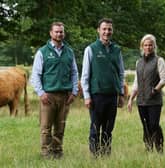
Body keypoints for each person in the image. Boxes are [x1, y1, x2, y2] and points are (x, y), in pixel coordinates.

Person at [31, 22, 78, 159]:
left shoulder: (69, 52)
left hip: (64, 96)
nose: (59, 34)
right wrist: (41, 93)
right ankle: (46, 153)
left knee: (60, 127)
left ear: (64, 33)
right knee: (46, 128)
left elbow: (74, 73)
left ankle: (57, 151)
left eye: (61, 32)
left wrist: (74, 92)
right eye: (56, 32)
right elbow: (35, 75)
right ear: (51, 33)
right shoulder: (42, 52)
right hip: (48, 96)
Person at [81, 18, 125, 157]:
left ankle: (106, 154)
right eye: (104, 29)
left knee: (108, 128)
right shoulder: (91, 49)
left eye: (109, 29)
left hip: (112, 95)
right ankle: (95, 156)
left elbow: (121, 73)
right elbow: (85, 75)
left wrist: (121, 94)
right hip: (96, 95)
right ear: (98, 30)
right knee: (95, 127)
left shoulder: (117, 50)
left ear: (112, 31)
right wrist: (87, 96)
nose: (107, 32)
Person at [127, 34, 165, 153]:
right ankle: (148, 149)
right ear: (142, 47)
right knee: (145, 126)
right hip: (141, 101)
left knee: (154, 124)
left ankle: (159, 148)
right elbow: (136, 83)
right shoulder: (138, 62)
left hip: (154, 101)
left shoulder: (159, 61)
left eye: (150, 45)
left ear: (154, 46)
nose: (148, 47)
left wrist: (155, 89)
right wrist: (130, 100)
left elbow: (164, 79)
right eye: (145, 45)